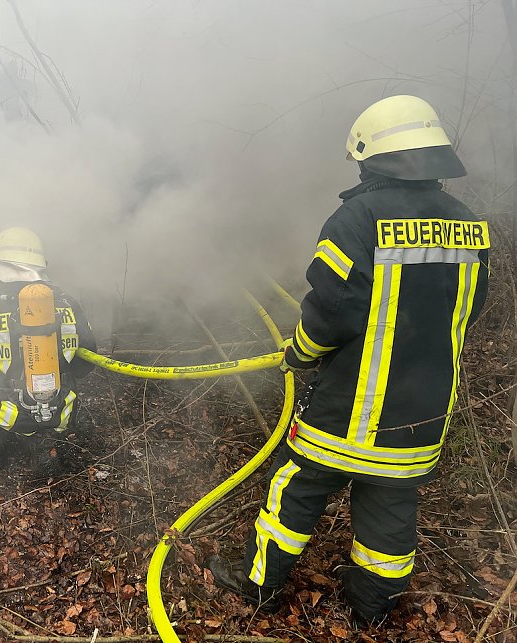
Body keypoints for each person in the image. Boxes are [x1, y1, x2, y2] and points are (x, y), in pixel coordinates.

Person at [206, 95, 490, 623]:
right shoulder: (470, 225)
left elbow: (330, 311)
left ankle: (257, 585)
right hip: (422, 416)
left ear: (373, 157)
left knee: (295, 490)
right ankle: (372, 610)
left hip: (351, 409)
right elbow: (468, 310)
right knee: (391, 509)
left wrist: (300, 353)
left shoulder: (358, 217)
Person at [0, 227, 96, 469]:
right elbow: (85, 365)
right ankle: (45, 439)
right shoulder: (68, 303)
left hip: (8, 413)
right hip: (62, 412)